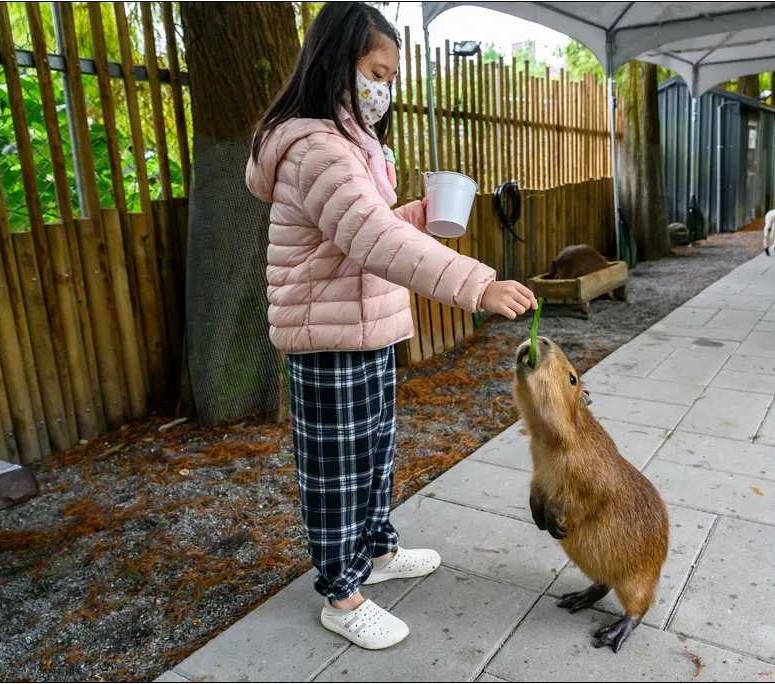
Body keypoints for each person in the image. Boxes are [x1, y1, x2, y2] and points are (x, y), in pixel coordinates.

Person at [245, 2, 538, 650]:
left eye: (392, 77)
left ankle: (376, 550)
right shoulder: (317, 149)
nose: (386, 89)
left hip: (367, 326)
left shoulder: (354, 145)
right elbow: (371, 238)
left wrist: (421, 211)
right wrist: (476, 285)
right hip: (328, 340)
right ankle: (342, 595)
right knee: (337, 469)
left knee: (374, 456)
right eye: (378, 72)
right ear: (334, 64)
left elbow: (362, 232)